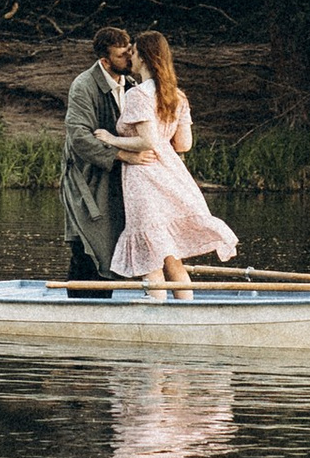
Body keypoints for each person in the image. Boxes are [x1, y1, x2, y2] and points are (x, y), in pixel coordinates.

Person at [110, 31, 238, 295]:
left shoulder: (138, 95)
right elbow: (184, 145)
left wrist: (111, 139)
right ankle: (185, 309)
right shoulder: (177, 96)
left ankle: (156, 309)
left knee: (151, 253)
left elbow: (147, 141)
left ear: (143, 58)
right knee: (170, 255)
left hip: (143, 175)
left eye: (133, 52)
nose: (129, 58)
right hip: (170, 173)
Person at [59, 23, 134, 278]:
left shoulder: (132, 84)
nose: (129, 57)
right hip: (87, 177)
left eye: (129, 51)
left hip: (115, 177)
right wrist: (120, 155)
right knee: (87, 243)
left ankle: (104, 308)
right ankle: (78, 310)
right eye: (121, 55)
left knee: (113, 244)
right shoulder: (84, 85)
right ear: (104, 60)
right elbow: (78, 135)